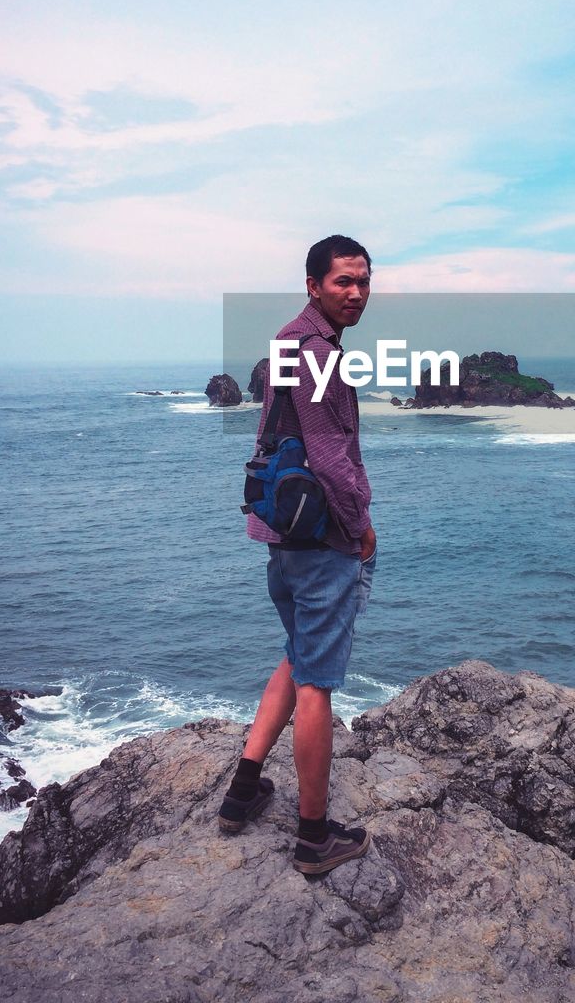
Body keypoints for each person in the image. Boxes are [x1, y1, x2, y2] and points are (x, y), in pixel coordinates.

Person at [219, 234, 377, 875]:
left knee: (297, 654)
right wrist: (361, 523)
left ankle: (243, 790)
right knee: (318, 682)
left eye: (364, 281)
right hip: (320, 541)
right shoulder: (320, 357)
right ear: (313, 285)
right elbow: (331, 456)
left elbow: (268, 436)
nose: (357, 293)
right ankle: (315, 837)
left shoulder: (288, 341)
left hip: (283, 535)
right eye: (343, 281)